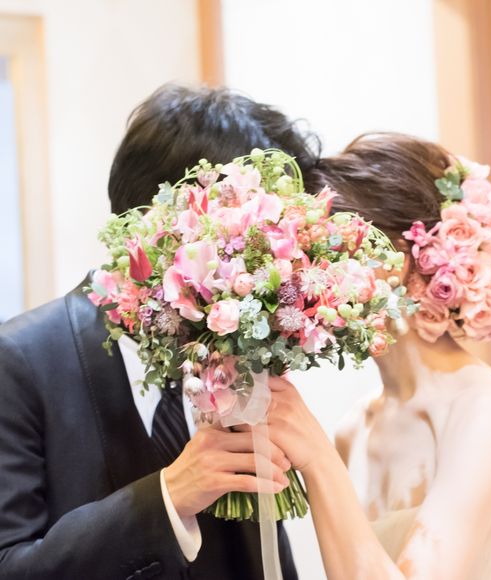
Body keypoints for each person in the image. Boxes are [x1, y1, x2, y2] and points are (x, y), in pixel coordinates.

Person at [0, 84, 319, 580]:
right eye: (251, 232)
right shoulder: (19, 359)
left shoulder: (240, 353)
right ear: (162, 221)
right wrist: (169, 496)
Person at [263, 133, 491, 579]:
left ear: (399, 259)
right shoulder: (355, 429)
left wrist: (316, 459)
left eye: (326, 252)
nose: (304, 278)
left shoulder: (487, 409)